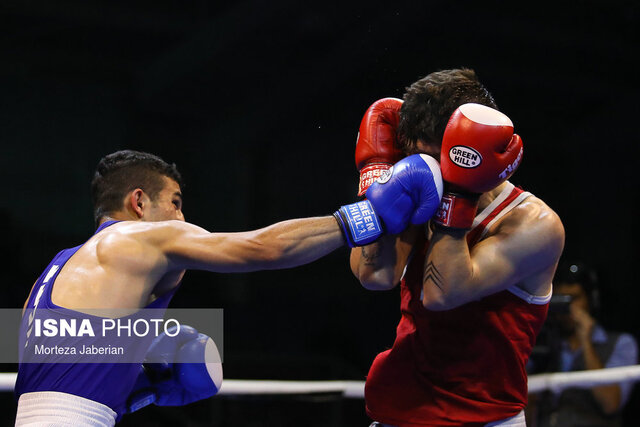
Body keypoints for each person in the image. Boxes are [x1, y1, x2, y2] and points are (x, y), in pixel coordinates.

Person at [14, 149, 444, 425]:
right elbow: (261, 249)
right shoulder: (138, 238)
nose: (183, 220)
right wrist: (367, 217)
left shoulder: (57, 270)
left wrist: (141, 389)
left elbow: (64, 380)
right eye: (176, 203)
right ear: (139, 202)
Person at [350, 69, 566, 426]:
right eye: (416, 157)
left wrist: (461, 195)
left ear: (471, 152)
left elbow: (442, 294)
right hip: (398, 409)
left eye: (437, 159)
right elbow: (373, 274)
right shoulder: (423, 188)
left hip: (483, 417)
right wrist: (377, 178)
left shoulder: (532, 224)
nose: (424, 169)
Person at [530, 261, 638, 427]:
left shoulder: (621, 343)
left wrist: (586, 342)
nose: (568, 309)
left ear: (591, 300)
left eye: (574, 299)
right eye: (562, 301)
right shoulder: (541, 343)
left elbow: (610, 404)